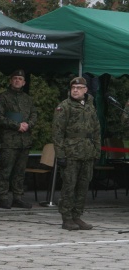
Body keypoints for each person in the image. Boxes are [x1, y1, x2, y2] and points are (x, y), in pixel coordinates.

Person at [53, 77, 100, 231]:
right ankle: (66, 218)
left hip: (87, 152)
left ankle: (77, 216)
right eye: (73, 87)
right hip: (71, 153)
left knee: (83, 186)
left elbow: (96, 130)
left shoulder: (90, 106)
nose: (75, 90)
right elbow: (57, 133)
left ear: (85, 90)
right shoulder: (64, 107)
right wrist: (60, 155)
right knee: (69, 186)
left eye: (79, 87)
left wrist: (96, 152)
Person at [0, 69, 37, 209]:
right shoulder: (2, 97)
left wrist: (28, 125)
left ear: (24, 82)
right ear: (10, 80)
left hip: (24, 140)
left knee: (20, 171)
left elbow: (34, 115)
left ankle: (17, 197)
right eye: (15, 78)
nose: (17, 80)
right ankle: (4, 197)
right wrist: (16, 125)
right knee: (6, 170)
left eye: (20, 79)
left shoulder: (28, 99)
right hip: (9, 141)